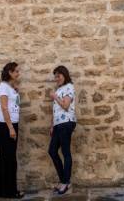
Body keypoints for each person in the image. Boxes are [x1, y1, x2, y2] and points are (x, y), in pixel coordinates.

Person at [0, 62, 24, 199]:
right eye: (16, 71)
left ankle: (2, 191)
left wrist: (15, 92)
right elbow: (4, 108)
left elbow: (15, 105)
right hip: (5, 126)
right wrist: (11, 128)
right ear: (10, 73)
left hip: (11, 124)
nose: (18, 73)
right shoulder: (3, 87)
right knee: (9, 159)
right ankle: (10, 191)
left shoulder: (10, 88)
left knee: (7, 158)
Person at [48, 65, 76, 196]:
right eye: (55, 76)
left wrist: (55, 97)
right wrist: (52, 125)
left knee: (65, 152)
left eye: (58, 76)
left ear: (65, 75)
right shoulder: (59, 89)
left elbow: (65, 106)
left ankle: (65, 182)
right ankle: (63, 180)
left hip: (67, 123)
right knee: (52, 151)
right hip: (58, 124)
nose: (56, 78)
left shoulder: (69, 87)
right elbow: (55, 110)